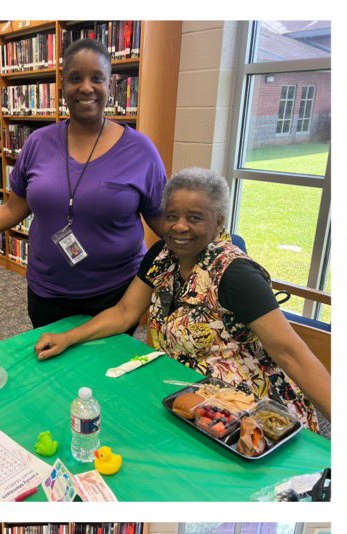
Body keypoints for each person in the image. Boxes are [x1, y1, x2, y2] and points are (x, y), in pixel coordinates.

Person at [31, 168, 331, 429]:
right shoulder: (162, 255)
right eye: (172, 216)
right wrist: (68, 337)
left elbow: (293, 355)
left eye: (195, 218)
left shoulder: (236, 275)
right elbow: (125, 311)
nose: (179, 226)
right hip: (183, 395)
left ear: (219, 222)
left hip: (244, 406)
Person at [0, 38, 166, 328]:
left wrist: (213, 250)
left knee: (105, 372)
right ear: (62, 86)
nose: (86, 87)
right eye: (75, 78)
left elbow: (163, 222)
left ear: (110, 86)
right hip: (47, 292)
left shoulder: (141, 151)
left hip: (115, 295)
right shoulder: (37, 143)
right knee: (52, 367)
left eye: (97, 78)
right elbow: (11, 211)